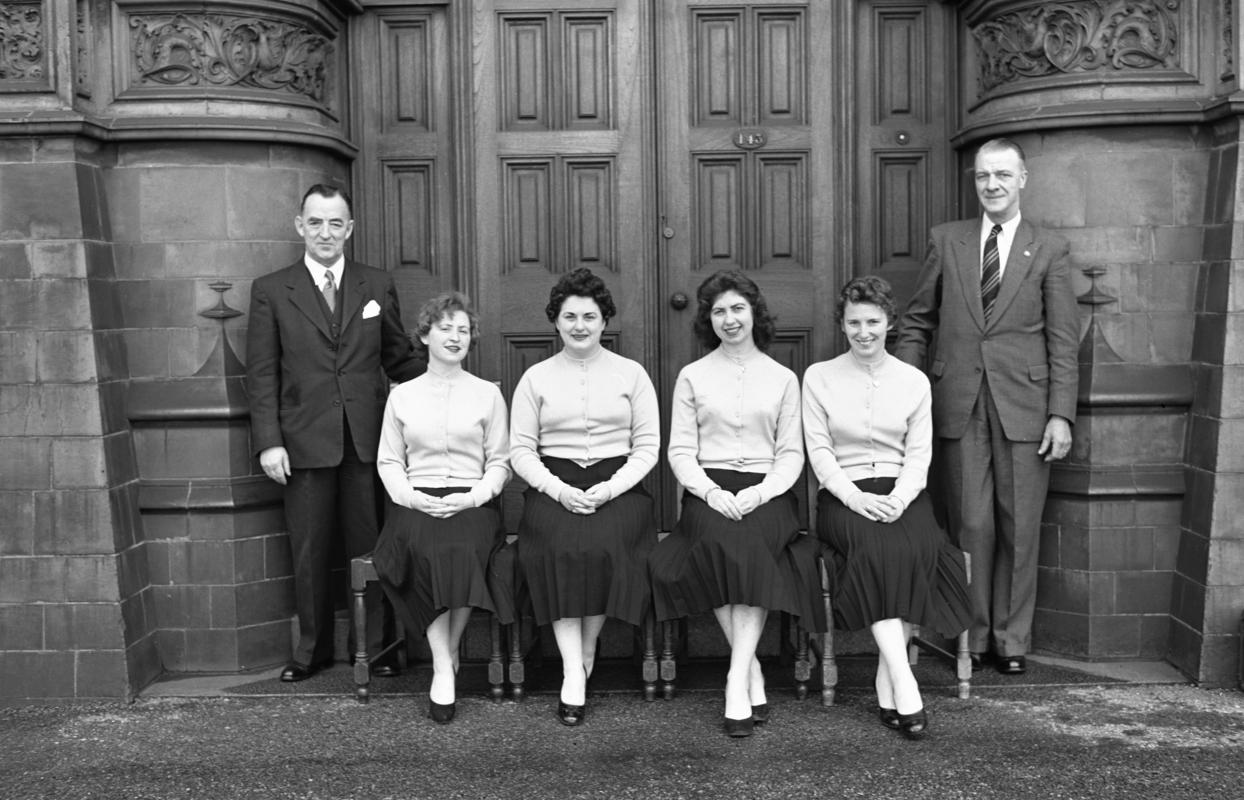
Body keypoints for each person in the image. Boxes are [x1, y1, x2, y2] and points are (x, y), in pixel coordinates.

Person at [895, 138, 1079, 675]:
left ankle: (1011, 641)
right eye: (982, 176)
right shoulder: (946, 240)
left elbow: (1063, 339)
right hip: (958, 403)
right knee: (971, 525)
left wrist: (1061, 413)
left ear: (1022, 179)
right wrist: (906, 392)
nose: (992, 185)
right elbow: (917, 322)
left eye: (1002, 175)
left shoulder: (1049, 248)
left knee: (1020, 527)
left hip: (1026, 407)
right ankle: (970, 636)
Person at [246, 184, 424, 682]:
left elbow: (399, 359)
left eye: (335, 223)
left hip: (367, 442)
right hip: (302, 443)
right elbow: (261, 373)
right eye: (316, 222)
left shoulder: (376, 284)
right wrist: (269, 441)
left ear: (349, 229)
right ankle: (312, 651)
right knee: (309, 551)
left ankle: (377, 648)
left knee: (370, 547)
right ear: (299, 226)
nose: (325, 233)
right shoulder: (271, 290)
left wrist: (450, 381)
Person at [649, 270, 824, 738]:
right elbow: (680, 451)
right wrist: (710, 492)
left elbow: (791, 454)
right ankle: (750, 672)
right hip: (710, 489)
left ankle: (736, 677)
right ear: (709, 319)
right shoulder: (693, 376)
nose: (729, 319)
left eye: (738, 309)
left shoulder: (783, 378)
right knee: (719, 540)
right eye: (719, 311)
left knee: (747, 543)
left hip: (768, 492)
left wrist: (760, 492)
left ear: (754, 313)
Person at [804, 275, 973, 740]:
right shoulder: (818, 377)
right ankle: (904, 680)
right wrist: (855, 497)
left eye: (873, 322)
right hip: (844, 496)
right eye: (854, 322)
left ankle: (886, 679)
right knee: (878, 550)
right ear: (842, 325)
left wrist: (899, 498)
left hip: (903, 493)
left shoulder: (913, 381)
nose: (864, 332)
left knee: (916, 545)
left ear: (889, 323)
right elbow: (819, 452)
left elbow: (919, 454)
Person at [509, 267, 660, 727]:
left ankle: (588, 645)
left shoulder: (632, 374)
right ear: (556, 320)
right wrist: (557, 490)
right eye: (570, 316)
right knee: (557, 546)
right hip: (553, 485)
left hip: (618, 486)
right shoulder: (534, 378)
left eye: (589, 316)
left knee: (602, 545)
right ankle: (573, 667)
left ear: (604, 320)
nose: (580, 326)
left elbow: (648, 446)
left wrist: (611, 488)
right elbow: (521, 450)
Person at [372, 292, 511, 724]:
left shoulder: (488, 395)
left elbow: (500, 461)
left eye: (463, 330)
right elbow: (389, 461)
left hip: (472, 500)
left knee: (462, 546)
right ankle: (443, 662)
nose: (455, 336)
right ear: (425, 335)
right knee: (425, 545)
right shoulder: (402, 397)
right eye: (445, 328)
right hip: (415, 499)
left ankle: (449, 652)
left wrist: (473, 497)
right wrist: (414, 498)